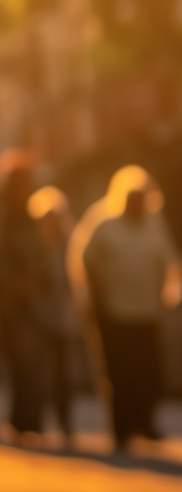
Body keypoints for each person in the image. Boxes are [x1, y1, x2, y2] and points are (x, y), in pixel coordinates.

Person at [81, 169, 180, 453]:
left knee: (148, 372)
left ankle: (145, 423)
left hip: (146, 312)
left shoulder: (154, 226)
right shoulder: (105, 226)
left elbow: (169, 264)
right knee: (119, 374)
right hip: (114, 313)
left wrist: (165, 299)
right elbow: (87, 262)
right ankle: (121, 429)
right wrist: (97, 296)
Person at [28, 186, 77, 448]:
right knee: (37, 374)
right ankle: (34, 423)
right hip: (37, 320)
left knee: (63, 376)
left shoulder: (69, 245)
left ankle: (65, 424)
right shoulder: (34, 249)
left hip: (62, 321)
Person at [0, 149, 44, 443]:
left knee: (28, 361)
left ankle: (25, 421)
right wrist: (13, 283)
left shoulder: (30, 217)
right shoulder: (5, 216)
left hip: (25, 305)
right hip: (6, 299)